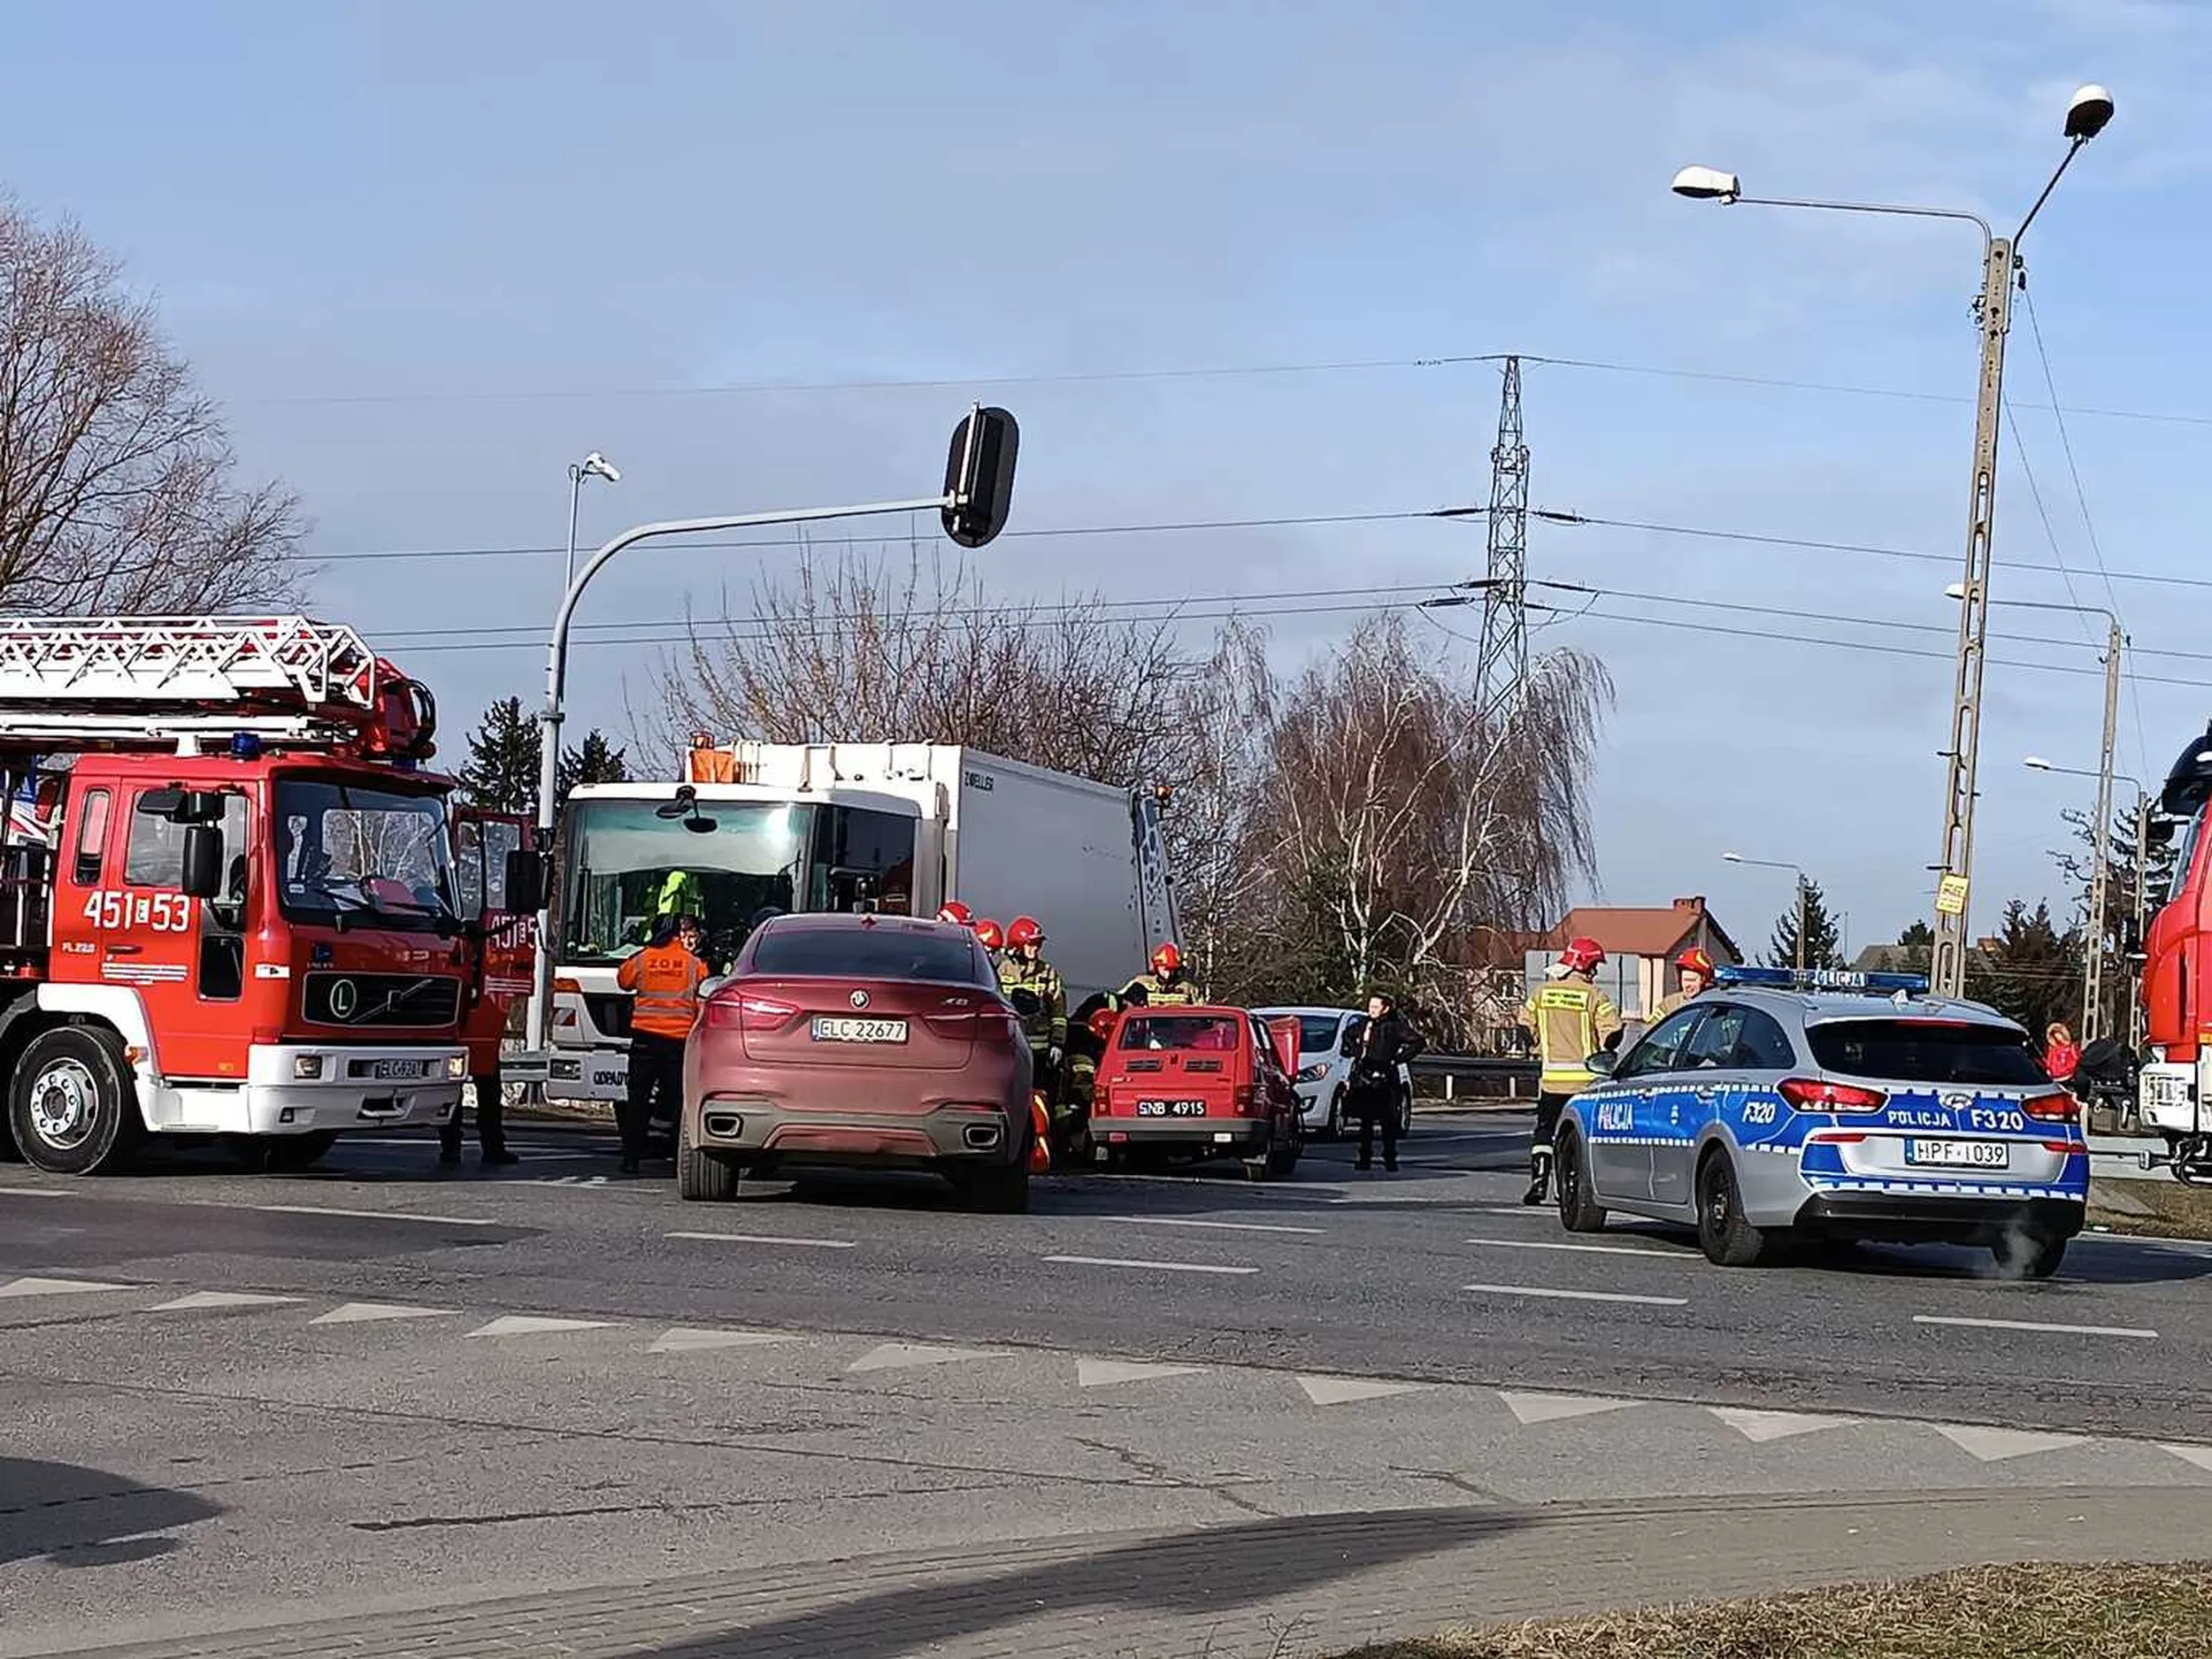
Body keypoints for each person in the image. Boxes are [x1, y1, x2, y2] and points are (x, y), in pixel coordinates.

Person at [1518, 936, 1624, 1206]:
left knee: (1544, 1131)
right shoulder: (1595, 996)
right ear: (1586, 966)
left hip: (1552, 1081)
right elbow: (1613, 1032)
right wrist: (1608, 1053)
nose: (1595, 972)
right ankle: (1568, 1187)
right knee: (1575, 1137)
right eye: (1594, 967)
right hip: (1584, 1084)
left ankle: (1539, 1182)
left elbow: (1523, 1025)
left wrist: (1536, 1045)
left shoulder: (1543, 993)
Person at [614, 912, 708, 1175]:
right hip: (678, 1042)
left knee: (638, 1101)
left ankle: (631, 1158)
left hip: (644, 1040)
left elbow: (623, 981)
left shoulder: (643, 959)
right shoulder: (693, 964)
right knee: (678, 1102)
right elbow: (705, 989)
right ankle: (680, 1159)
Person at [998, 915, 1069, 1120]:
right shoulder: (1001, 971)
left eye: (1038, 944)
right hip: (1009, 1048)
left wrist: (1057, 1044)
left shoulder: (1047, 973)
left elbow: (1059, 1013)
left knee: (1040, 1098)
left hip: (1039, 1051)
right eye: (1032, 944)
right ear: (1018, 944)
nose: (1036, 948)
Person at [1348, 991, 1425, 1173]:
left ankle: (1390, 1159)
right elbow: (1348, 1036)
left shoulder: (1395, 1027)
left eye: (1376, 1007)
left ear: (1386, 1009)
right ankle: (1364, 1158)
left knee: (1387, 1122)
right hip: (1364, 1076)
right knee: (1365, 1122)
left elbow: (1418, 1042)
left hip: (1385, 1077)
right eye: (1370, 1006)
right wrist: (1356, 1052)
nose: (1371, 1010)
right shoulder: (1364, 1024)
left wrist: (1397, 1059)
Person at [1121, 941, 1201, 1006]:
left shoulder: (1187, 988)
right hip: (1150, 1025)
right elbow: (1120, 1002)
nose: (1168, 974)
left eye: (1171, 969)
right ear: (1156, 967)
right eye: (1164, 969)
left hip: (1181, 1026)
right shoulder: (1141, 983)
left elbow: (1202, 1012)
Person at [1649, 947, 1716, 1023]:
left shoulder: (1715, 1007)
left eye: (1692, 980)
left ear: (1703, 980)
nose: (1687, 985)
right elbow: (1652, 1029)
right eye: (1684, 980)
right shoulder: (1669, 1004)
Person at [2046, 1021, 2081, 1086]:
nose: (2058, 1038)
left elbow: (2076, 1059)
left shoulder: (2071, 1047)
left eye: (2059, 1035)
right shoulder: (2053, 1049)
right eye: (2055, 1036)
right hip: (2055, 1076)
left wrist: (2071, 1070)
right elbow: (2050, 1060)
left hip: (2068, 1075)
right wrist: (2049, 1070)